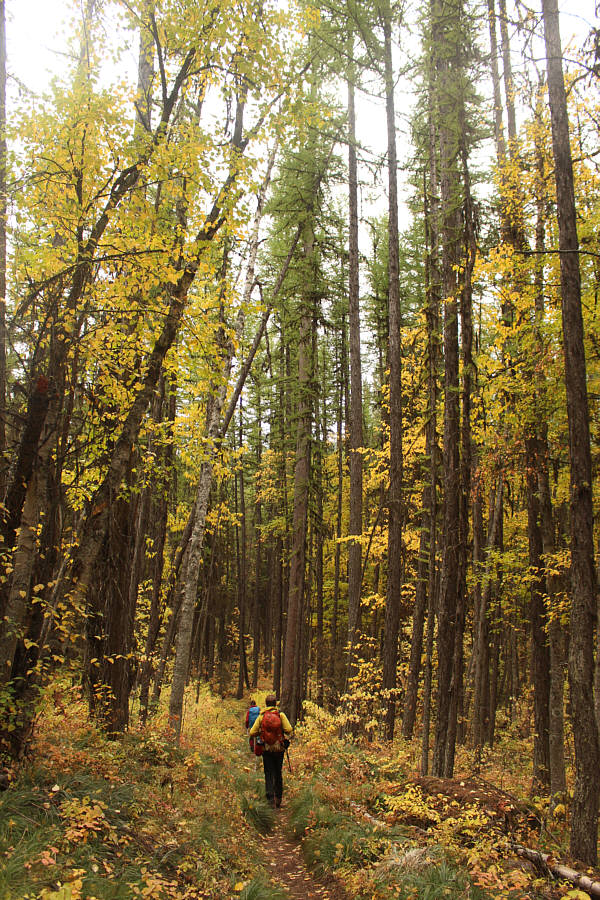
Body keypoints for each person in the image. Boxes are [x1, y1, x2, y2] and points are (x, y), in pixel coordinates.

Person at [249, 693, 293, 808]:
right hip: (279, 748)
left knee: (268, 772)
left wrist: (262, 733)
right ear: (275, 704)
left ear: (266, 704)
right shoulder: (280, 715)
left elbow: (252, 732)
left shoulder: (262, 716)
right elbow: (289, 730)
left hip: (267, 748)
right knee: (278, 772)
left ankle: (270, 799)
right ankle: (278, 798)